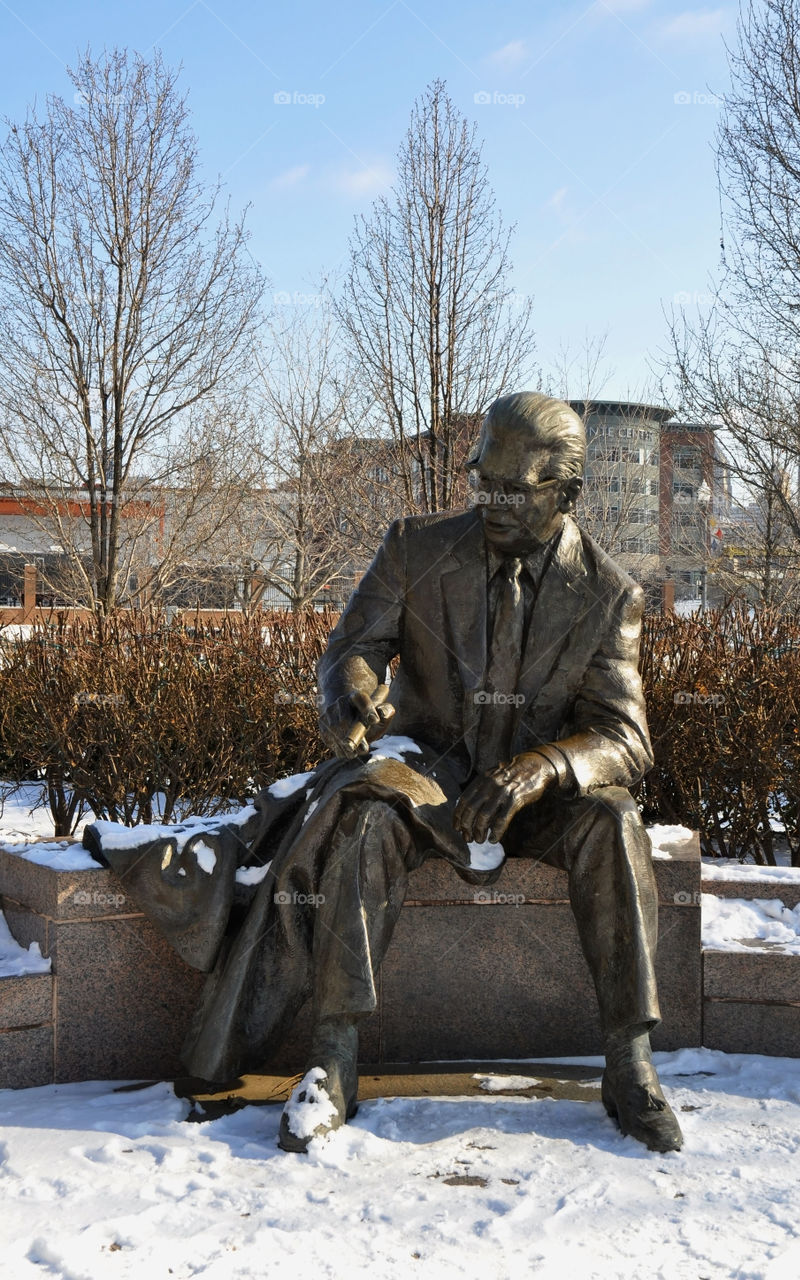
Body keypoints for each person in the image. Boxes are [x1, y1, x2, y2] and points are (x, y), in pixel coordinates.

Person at [273, 390, 683, 1154]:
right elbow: (352, 646)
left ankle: (627, 1058)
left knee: (615, 821)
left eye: (514, 489)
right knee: (364, 818)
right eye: (482, 482)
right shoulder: (412, 548)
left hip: (539, 799)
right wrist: (349, 692)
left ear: (566, 492)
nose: (491, 502)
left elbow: (624, 738)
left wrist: (544, 767)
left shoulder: (606, 593)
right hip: (432, 781)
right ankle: (333, 1056)